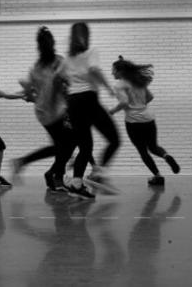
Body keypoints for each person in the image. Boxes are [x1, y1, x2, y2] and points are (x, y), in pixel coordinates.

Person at [57, 22, 120, 200]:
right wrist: (108, 87)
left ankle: (76, 185)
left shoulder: (67, 58)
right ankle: (98, 173)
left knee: (85, 146)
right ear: (86, 35)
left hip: (73, 102)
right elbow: (94, 69)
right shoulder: (91, 51)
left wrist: (65, 94)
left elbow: (58, 76)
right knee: (114, 139)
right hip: (88, 100)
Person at [14, 26, 73, 192]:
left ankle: (48, 173)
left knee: (61, 146)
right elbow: (68, 84)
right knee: (67, 145)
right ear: (52, 44)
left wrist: (32, 94)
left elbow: (29, 96)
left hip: (43, 112)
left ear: (38, 47)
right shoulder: (59, 62)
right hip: (57, 111)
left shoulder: (36, 68)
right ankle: (57, 177)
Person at [110, 56, 180, 186]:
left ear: (120, 71)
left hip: (133, 122)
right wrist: (140, 105)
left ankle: (157, 176)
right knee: (153, 147)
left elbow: (124, 102)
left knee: (143, 150)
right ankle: (167, 157)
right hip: (148, 118)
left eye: (113, 70)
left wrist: (113, 111)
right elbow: (150, 97)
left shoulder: (119, 85)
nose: (111, 73)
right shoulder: (138, 81)